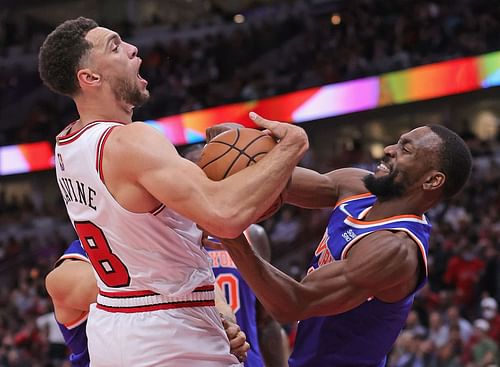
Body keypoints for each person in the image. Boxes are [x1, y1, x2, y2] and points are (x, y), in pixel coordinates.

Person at [38, 17, 308, 366]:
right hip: (169, 330)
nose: (133, 49)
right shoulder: (131, 141)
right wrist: (291, 147)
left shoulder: (67, 143)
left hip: (117, 324)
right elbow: (225, 217)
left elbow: (143, 211)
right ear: (90, 78)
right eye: (115, 47)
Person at [205, 120, 472, 366]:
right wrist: (238, 145)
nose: (389, 149)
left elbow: (293, 303)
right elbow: (279, 181)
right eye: (397, 142)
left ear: (432, 180)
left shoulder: (396, 251)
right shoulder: (357, 187)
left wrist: (230, 234)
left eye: (406, 149)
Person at [45, 240, 251, 366]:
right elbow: (140, 289)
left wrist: (228, 329)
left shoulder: (163, 244)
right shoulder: (67, 273)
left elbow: (210, 292)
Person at [182, 144, 289, 367]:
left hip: (248, 358)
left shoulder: (253, 235)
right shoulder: (172, 236)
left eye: (209, 172)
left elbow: (266, 322)